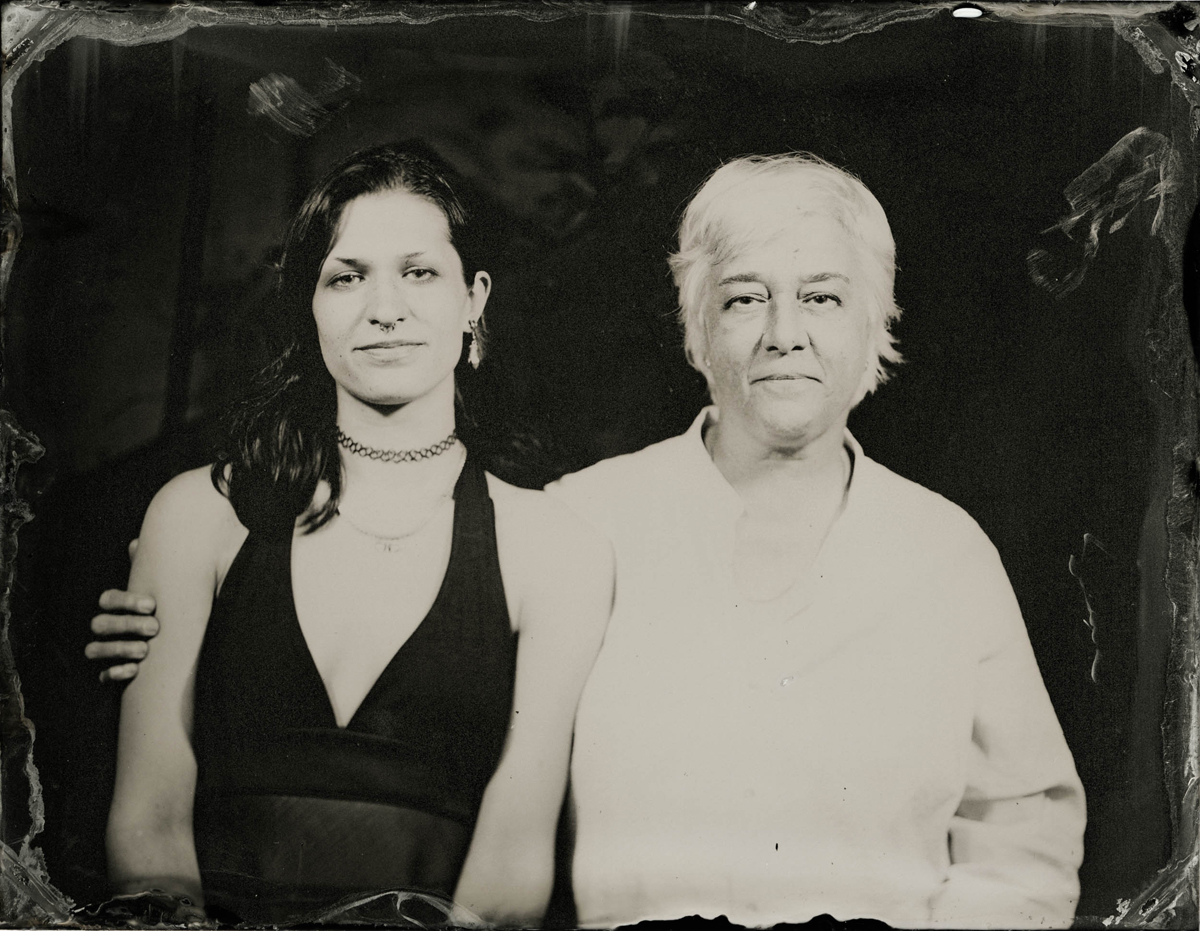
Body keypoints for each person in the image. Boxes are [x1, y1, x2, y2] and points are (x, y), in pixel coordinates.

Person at [90, 152, 1085, 928]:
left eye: (822, 296)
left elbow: (1026, 829)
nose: (785, 332)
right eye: (744, 297)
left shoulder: (947, 556)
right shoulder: (587, 519)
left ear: (877, 324)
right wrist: (160, 615)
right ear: (697, 329)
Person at [92, 142, 613, 927]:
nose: (384, 308)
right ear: (309, 303)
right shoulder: (198, 514)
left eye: (419, 272)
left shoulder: (555, 547)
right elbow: (148, 818)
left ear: (474, 298)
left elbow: (514, 849)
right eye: (346, 277)